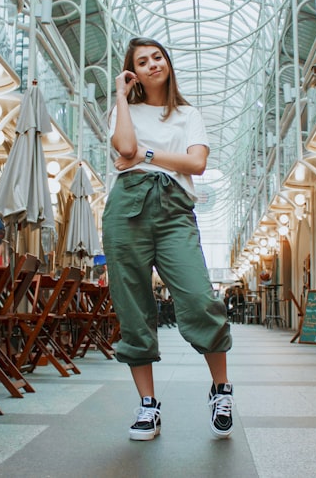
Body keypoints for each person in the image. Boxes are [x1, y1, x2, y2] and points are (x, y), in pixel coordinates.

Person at [102, 37, 234, 442]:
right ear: (133, 72)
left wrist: (145, 156)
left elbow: (196, 163)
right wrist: (122, 98)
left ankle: (221, 391)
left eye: (157, 57)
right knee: (134, 307)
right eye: (141, 62)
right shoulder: (122, 109)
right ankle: (148, 406)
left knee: (199, 297)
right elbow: (123, 145)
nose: (152, 64)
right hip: (126, 208)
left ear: (168, 62)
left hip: (175, 208)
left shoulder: (188, 114)